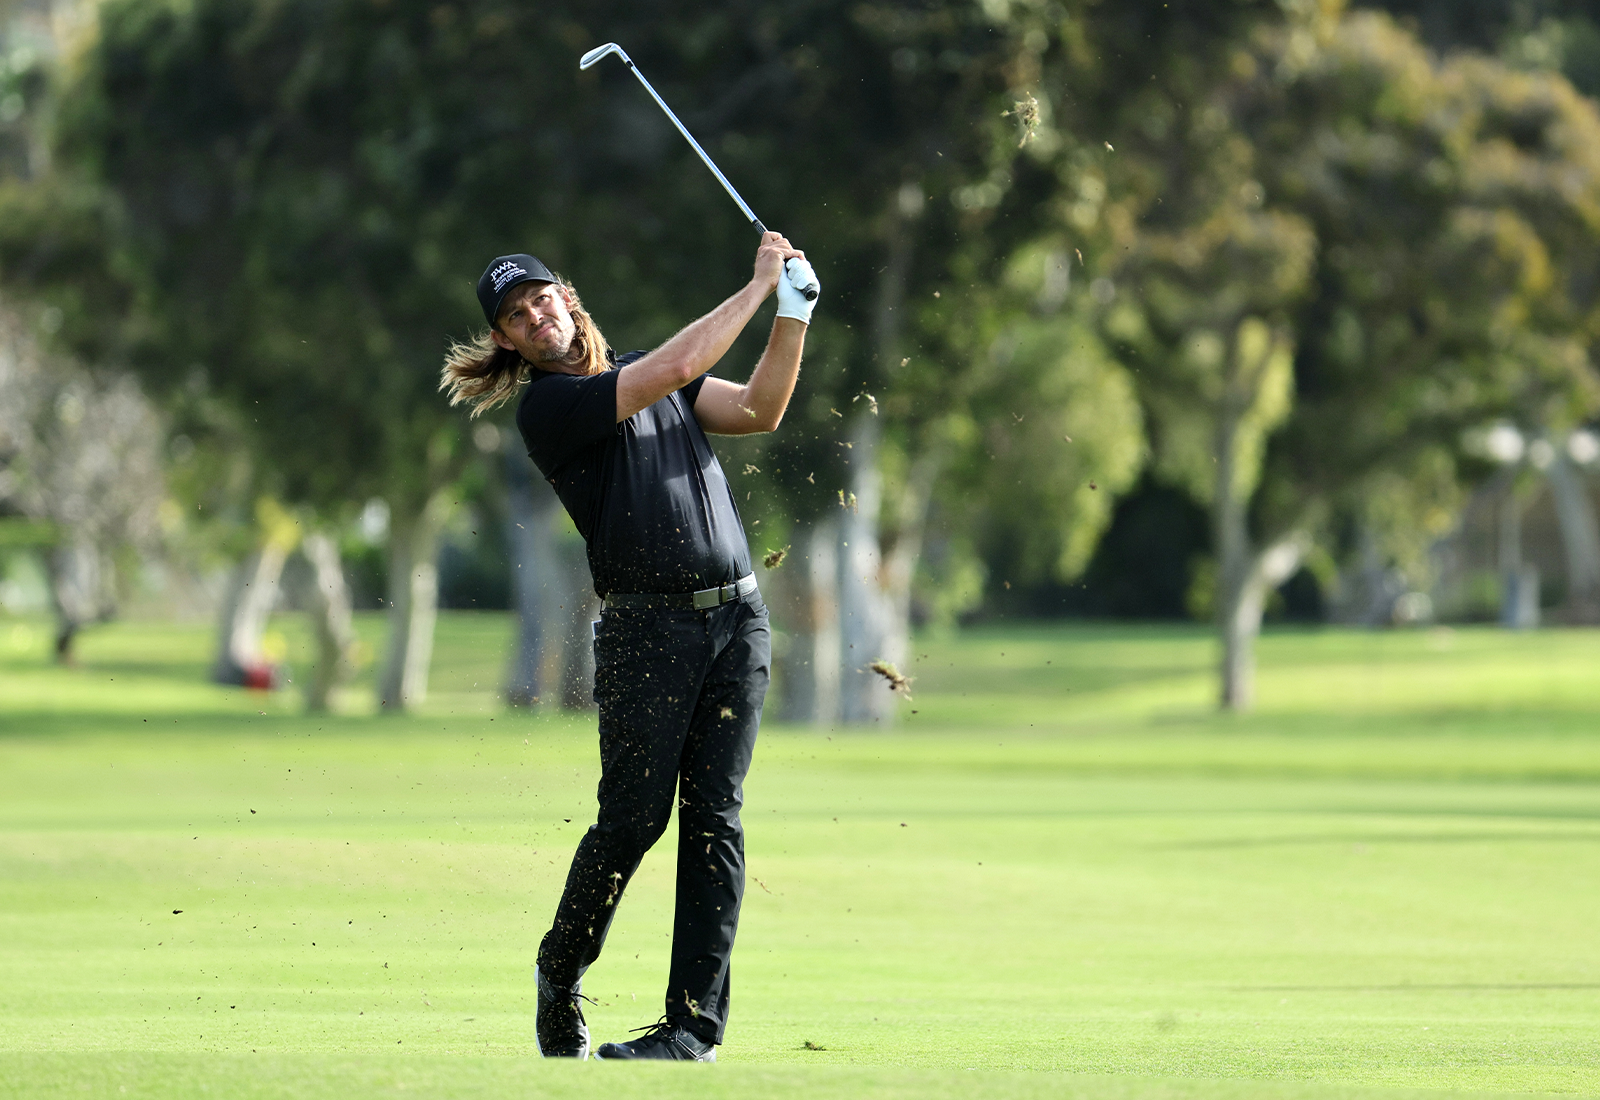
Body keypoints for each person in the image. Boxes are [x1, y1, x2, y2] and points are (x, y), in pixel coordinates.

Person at [439, 233, 817, 1061]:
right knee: (633, 823)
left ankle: (690, 1029)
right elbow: (676, 370)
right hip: (649, 632)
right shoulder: (551, 408)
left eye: (539, 297)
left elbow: (759, 410)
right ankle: (560, 969)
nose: (535, 316)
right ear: (507, 340)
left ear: (564, 297)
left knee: (715, 821)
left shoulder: (648, 369)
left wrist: (794, 312)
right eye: (514, 316)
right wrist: (758, 284)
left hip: (737, 623)